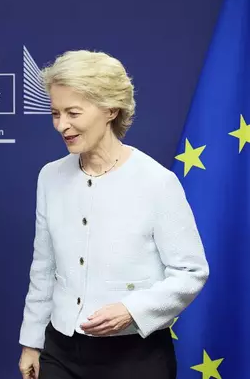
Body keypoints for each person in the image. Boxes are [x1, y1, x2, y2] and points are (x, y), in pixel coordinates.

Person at [17, 50, 209, 379]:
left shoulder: (157, 182)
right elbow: (44, 268)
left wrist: (131, 310)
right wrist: (32, 342)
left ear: (109, 109)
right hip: (60, 351)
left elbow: (191, 272)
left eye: (73, 113)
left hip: (135, 357)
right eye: (55, 113)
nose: (62, 125)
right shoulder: (49, 176)